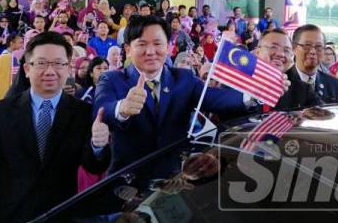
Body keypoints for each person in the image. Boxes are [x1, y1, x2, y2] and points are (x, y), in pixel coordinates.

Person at [0, 32, 111, 223]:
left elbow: (93, 165)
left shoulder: (83, 113)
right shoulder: (0, 112)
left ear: (68, 68)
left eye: (59, 64)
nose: (50, 71)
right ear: (26, 69)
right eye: (41, 63)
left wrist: (98, 145)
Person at [93, 15, 249, 176]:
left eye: (157, 43)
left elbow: (216, 99)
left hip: (173, 182)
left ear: (168, 47)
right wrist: (122, 108)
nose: (151, 51)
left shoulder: (184, 78)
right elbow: (102, 109)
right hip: (126, 183)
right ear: (127, 49)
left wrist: (252, 96)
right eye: (142, 44)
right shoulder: (112, 79)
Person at [255, 29, 319, 110]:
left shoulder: (303, 90)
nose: (281, 54)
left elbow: (323, 115)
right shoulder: (238, 83)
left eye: (286, 50)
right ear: (257, 52)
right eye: (273, 47)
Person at [289, 24, 338, 103]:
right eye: (307, 45)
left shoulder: (336, 85)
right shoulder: (281, 84)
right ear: (294, 48)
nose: (313, 51)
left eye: (319, 46)